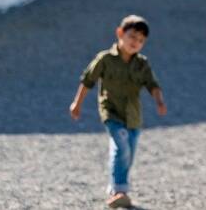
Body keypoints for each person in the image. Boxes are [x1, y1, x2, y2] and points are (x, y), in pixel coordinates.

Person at [70, 15, 167, 209]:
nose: (135, 43)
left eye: (141, 41)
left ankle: (116, 184)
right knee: (121, 146)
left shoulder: (142, 63)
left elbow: (152, 84)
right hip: (111, 112)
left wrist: (159, 101)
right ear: (120, 33)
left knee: (128, 152)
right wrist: (77, 104)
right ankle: (119, 191)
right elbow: (87, 80)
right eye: (132, 37)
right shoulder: (105, 59)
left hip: (133, 116)